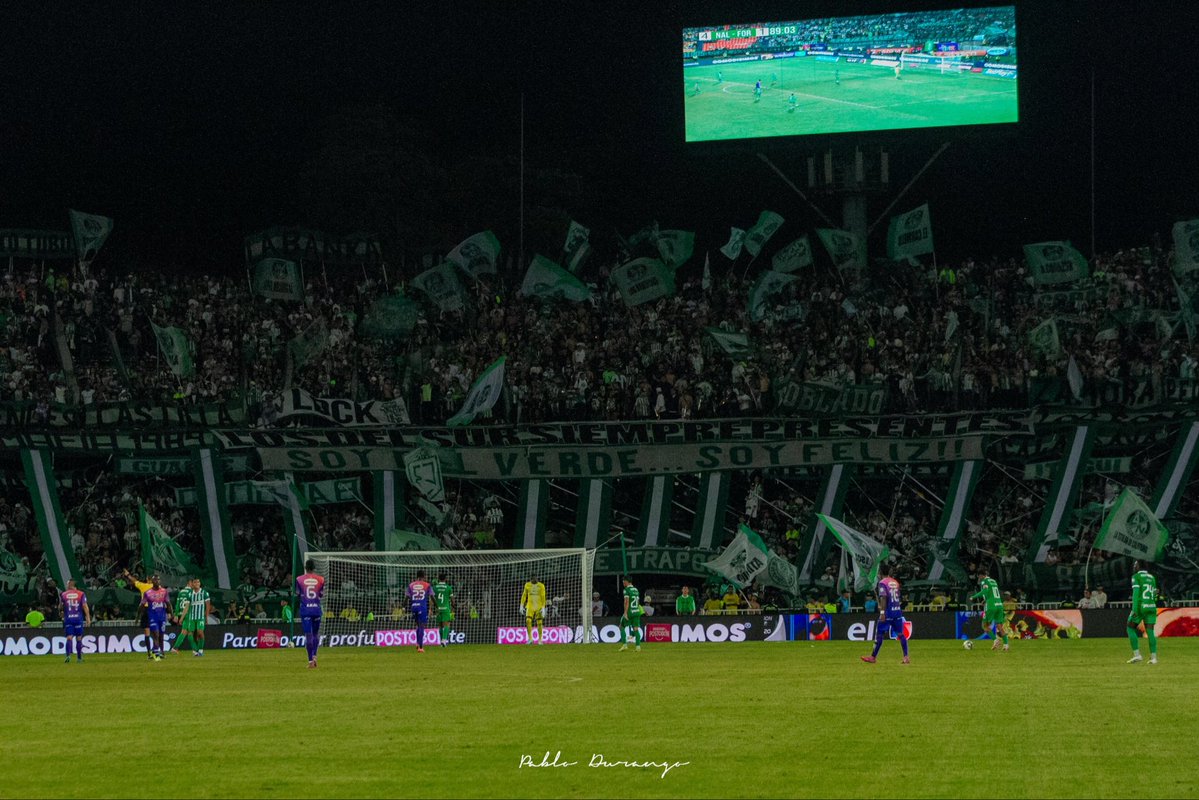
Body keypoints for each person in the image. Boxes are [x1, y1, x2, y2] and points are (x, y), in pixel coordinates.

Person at [861, 574, 909, 665]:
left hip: (888, 613)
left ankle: (873, 657)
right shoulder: (895, 582)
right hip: (897, 611)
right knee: (901, 634)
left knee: (879, 634)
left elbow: (884, 598)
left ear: (881, 573)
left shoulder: (883, 583)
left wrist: (882, 612)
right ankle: (906, 657)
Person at [1127, 561, 1158, 664]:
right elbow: (1154, 594)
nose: (1134, 566)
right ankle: (1153, 658)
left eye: (1135, 565)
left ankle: (1137, 655)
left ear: (1139, 566)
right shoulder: (1152, 578)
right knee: (1150, 632)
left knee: (1130, 628)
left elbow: (1136, 594)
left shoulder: (1136, 577)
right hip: (1152, 606)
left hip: (1141, 607)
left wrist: (1135, 610)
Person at [296, 559, 326, 668]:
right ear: (314, 568)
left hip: (306, 611)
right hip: (317, 610)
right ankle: (315, 656)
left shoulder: (299, 579)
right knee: (315, 634)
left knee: (308, 635)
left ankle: (310, 662)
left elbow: (298, 594)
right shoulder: (321, 579)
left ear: (305, 567)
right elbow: (321, 594)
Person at [970, 571, 1009, 651]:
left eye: (979, 576)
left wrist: (973, 596)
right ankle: (1006, 645)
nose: (979, 579)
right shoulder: (993, 581)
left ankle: (996, 640)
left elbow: (984, 591)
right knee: (1000, 627)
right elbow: (992, 593)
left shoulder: (984, 581)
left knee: (985, 626)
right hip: (999, 605)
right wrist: (985, 600)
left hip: (991, 606)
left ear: (981, 575)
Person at [123, 568, 155, 661]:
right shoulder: (158, 588)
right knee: (156, 632)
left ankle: (149, 653)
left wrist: (128, 575)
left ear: (147, 579)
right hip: (155, 610)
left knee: (147, 632)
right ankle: (157, 651)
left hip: (146, 610)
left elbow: (134, 581)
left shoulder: (144, 586)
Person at [179, 577, 213, 657]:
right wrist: (182, 618)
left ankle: (200, 650)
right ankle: (195, 650)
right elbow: (187, 607)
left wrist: (206, 617)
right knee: (190, 634)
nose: (197, 584)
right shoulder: (190, 594)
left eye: (198, 582)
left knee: (200, 632)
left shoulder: (204, 593)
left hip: (200, 617)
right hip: (192, 617)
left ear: (200, 583)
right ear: (192, 584)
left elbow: (208, 606)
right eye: (195, 582)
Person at [139, 575, 170, 661]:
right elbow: (141, 605)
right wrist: (138, 616)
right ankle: (154, 653)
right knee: (155, 634)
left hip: (161, 616)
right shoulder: (147, 592)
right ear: (151, 581)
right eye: (155, 580)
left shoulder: (164, 591)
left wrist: (171, 613)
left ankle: (161, 652)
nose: (157, 581)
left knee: (161, 635)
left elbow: (168, 604)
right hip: (151, 616)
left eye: (159, 580)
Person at [60, 579, 91, 663]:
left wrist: (62, 615)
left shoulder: (63, 594)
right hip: (78, 619)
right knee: (79, 638)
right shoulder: (81, 594)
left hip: (68, 619)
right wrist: (88, 617)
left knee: (69, 637)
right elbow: (84, 606)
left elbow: (61, 607)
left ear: (70, 585)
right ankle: (79, 658)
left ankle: (68, 656)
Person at [407, 570, 433, 653]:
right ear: (424, 576)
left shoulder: (411, 585)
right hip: (422, 607)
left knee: (418, 625)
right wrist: (436, 606)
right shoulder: (427, 585)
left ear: (416, 576)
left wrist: (403, 606)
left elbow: (407, 597)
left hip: (414, 607)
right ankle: (421, 647)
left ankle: (417, 643)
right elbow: (432, 597)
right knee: (422, 626)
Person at [519, 574, 547, 645]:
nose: (535, 580)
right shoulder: (527, 585)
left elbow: (543, 596)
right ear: (531, 579)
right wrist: (521, 605)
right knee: (528, 620)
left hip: (539, 607)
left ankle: (540, 640)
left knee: (540, 623)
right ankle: (530, 639)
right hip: (530, 606)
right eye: (533, 579)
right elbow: (524, 595)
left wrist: (543, 607)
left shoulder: (541, 586)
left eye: (536, 578)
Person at [619, 576, 643, 652]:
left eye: (623, 581)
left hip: (629, 612)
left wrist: (625, 613)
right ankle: (638, 647)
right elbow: (638, 602)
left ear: (627, 581)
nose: (623, 583)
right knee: (636, 629)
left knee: (621, 626)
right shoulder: (636, 590)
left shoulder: (626, 590)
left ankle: (625, 645)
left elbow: (626, 602)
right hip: (636, 611)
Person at [433, 572, 454, 648]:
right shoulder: (448, 587)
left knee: (440, 626)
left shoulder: (435, 587)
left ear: (439, 579)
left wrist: (431, 609)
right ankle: (444, 641)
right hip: (446, 608)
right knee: (447, 625)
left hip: (438, 609)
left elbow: (432, 599)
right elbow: (452, 599)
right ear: (445, 579)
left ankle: (441, 642)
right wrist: (454, 606)